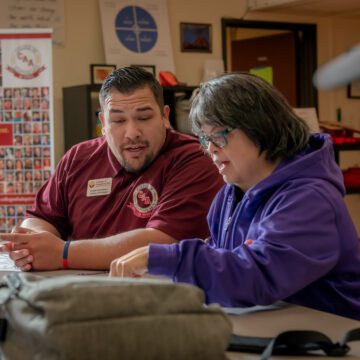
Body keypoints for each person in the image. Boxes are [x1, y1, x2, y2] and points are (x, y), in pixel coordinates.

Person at [109, 72, 360, 320]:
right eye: (205, 138)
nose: (210, 149)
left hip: (338, 340)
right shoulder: (231, 194)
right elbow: (224, 260)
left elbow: (256, 276)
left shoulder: (311, 199)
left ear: (260, 126)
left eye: (219, 135)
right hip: (276, 328)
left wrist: (164, 257)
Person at [0, 66, 223, 271]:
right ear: (103, 124)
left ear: (165, 117)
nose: (132, 132)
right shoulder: (79, 158)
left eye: (144, 117)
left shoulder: (194, 159)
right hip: (72, 294)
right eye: (118, 121)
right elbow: (42, 218)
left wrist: (62, 253)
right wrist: (34, 246)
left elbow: (160, 242)